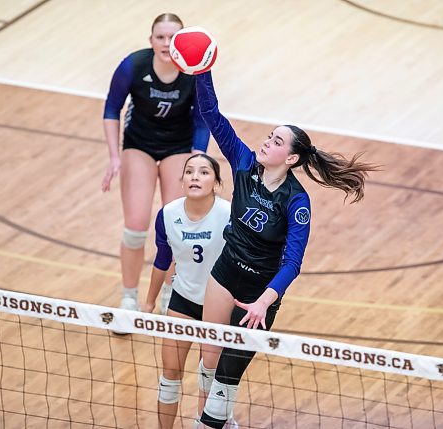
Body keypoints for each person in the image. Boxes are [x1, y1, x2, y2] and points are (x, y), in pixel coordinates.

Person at [193, 71, 378, 429]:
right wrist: (203, 67)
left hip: (260, 291)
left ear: (290, 158)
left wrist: (264, 300)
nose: (266, 142)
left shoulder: (296, 201)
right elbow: (211, 112)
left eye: (276, 141)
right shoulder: (243, 163)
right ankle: (220, 419)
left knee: (229, 372)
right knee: (210, 358)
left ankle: (211, 421)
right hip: (226, 271)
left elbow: (293, 262)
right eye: (268, 136)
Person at [102, 13, 210, 314]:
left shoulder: (195, 72)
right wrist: (114, 156)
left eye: (172, 37)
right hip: (139, 146)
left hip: (178, 148)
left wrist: (195, 160)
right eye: (160, 37)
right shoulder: (133, 66)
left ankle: (169, 292)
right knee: (136, 228)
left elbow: (202, 121)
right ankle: (128, 297)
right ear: (151, 41)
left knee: (175, 227)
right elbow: (112, 109)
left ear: (182, 40)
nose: (165, 43)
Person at [142, 154, 234, 429]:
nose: (195, 176)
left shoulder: (229, 214)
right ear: (181, 181)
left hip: (218, 305)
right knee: (169, 375)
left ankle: (209, 423)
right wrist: (148, 302)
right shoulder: (168, 215)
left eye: (204, 172)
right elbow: (162, 260)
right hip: (183, 300)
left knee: (209, 376)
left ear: (216, 183)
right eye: (190, 172)